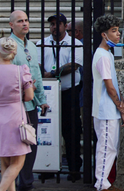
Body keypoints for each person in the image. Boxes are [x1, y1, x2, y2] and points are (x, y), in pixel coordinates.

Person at [0, 37, 35, 191]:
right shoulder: (21, 70)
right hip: (15, 115)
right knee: (18, 162)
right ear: (14, 53)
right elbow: (29, 96)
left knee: (5, 162)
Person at [36, 13, 83, 181]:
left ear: (65, 26)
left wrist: (52, 73)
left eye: (58, 24)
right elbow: (36, 64)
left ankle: (74, 169)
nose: (55, 27)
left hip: (68, 92)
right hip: (48, 92)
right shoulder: (42, 43)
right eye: (52, 24)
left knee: (72, 131)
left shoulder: (75, 44)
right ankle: (47, 167)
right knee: (48, 130)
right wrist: (45, 74)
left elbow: (74, 65)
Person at [9, 10, 49, 191]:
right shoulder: (7, 45)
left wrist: (42, 99)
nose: (24, 24)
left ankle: (26, 183)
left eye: (26, 20)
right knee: (15, 145)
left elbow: (37, 75)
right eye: (20, 21)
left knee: (31, 142)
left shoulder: (32, 46)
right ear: (11, 25)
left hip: (31, 103)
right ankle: (12, 182)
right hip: (15, 104)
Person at [92, 14, 124, 191]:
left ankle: (105, 182)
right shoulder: (103, 55)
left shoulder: (107, 54)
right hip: (105, 109)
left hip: (109, 109)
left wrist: (120, 109)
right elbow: (110, 86)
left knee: (111, 147)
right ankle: (101, 183)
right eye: (113, 31)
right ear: (104, 34)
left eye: (117, 30)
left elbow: (112, 83)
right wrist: (120, 106)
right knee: (106, 147)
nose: (118, 34)